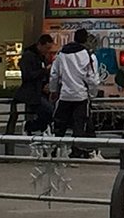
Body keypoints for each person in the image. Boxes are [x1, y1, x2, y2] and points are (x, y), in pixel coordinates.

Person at [49, 28, 102, 159]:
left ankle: (54, 150)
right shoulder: (87, 55)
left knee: (59, 124)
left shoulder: (61, 54)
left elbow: (54, 74)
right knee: (79, 125)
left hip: (65, 95)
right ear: (85, 40)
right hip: (81, 96)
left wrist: (53, 90)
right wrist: (92, 94)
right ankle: (76, 152)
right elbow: (92, 78)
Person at [14, 34, 56, 134]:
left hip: (40, 91)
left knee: (50, 111)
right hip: (32, 93)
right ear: (40, 45)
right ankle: (31, 126)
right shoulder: (28, 56)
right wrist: (44, 71)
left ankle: (37, 127)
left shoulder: (41, 57)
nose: (48, 51)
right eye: (47, 48)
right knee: (49, 111)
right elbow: (28, 75)